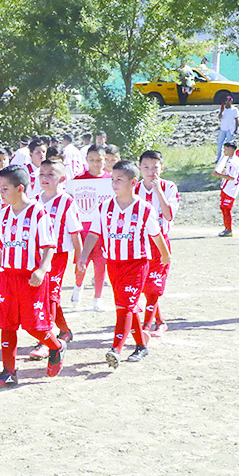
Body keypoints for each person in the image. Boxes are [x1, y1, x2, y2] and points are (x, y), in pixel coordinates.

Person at [78, 161, 171, 367]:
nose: (114, 184)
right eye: (112, 180)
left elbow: (157, 235)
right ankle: (141, 346)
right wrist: (84, 255)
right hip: (114, 264)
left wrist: (165, 256)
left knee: (123, 307)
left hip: (137, 264)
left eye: (119, 180)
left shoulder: (144, 209)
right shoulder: (104, 207)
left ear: (133, 182)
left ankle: (116, 349)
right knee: (128, 306)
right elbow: (94, 232)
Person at [0, 165, 67, 389]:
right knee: (6, 324)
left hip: (30, 278)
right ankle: (8, 371)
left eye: (4, 188)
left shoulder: (37, 212)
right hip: (9, 277)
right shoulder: (3, 213)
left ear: (19, 188)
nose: (0, 193)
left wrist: (41, 270)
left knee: (34, 326)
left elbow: (49, 246)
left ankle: (55, 345)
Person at [29, 159, 82, 360]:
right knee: (45, 294)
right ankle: (64, 331)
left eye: (51, 174)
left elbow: (75, 232)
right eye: (42, 174)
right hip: (37, 256)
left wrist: (79, 259)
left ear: (62, 178)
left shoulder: (67, 201)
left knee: (49, 294)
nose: (45, 178)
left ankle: (46, 339)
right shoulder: (34, 200)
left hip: (58, 255)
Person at [134, 150, 180, 336]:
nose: (150, 171)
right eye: (146, 167)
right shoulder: (134, 188)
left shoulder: (169, 187)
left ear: (162, 167)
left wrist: (158, 191)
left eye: (155, 167)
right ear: (139, 169)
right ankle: (160, 321)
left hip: (160, 242)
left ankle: (146, 326)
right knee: (145, 285)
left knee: (154, 285)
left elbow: (168, 215)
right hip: (139, 243)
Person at [71, 144, 111, 310]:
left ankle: (97, 298)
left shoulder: (110, 180)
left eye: (99, 160)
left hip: (102, 232)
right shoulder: (78, 180)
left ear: (105, 160)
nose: (95, 163)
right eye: (92, 160)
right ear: (86, 160)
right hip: (83, 231)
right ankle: (78, 287)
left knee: (101, 265)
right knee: (82, 261)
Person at [212, 141, 239, 237]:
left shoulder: (233, 162)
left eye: (225, 149)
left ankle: (229, 229)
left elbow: (232, 177)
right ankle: (226, 228)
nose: (224, 151)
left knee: (226, 208)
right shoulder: (231, 160)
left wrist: (218, 175)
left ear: (230, 149)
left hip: (230, 189)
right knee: (223, 208)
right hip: (226, 188)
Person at [216, 96, 239, 162]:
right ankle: (219, 158)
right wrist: (221, 111)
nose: (228, 102)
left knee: (229, 144)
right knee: (219, 143)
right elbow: (220, 117)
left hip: (230, 129)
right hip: (223, 128)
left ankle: (229, 158)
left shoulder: (234, 109)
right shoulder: (222, 109)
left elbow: (236, 119)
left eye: (230, 101)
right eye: (227, 101)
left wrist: (236, 128)